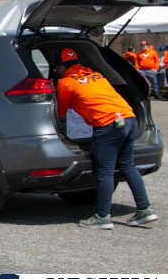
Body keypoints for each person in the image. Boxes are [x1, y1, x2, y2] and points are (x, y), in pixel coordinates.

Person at [54, 48, 158, 229]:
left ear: (62, 67)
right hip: (128, 118)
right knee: (127, 166)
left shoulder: (66, 83)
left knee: (105, 172)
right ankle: (145, 209)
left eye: (57, 68)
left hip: (108, 125)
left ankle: (102, 216)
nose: (57, 71)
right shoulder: (97, 76)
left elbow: (61, 112)